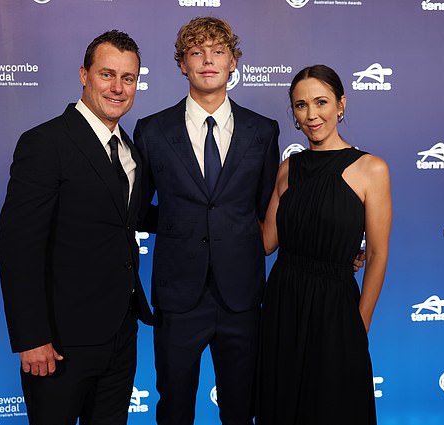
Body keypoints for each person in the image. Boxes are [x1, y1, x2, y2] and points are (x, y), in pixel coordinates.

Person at [0, 30, 152, 425]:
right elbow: (18, 246)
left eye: (128, 78)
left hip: (121, 336)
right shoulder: (45, 143)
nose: (118, 88)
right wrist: (32, 339)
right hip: (59, 344)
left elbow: (122, 219)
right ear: (84, 75)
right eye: (107, 75)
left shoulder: (130, 149)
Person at [133, 17, 280, 425]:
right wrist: (184, 224)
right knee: (175, 407)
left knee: (241, 407)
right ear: (183, 64)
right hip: (179, 295)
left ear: (234, 62)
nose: (208, 61)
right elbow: (138, 208)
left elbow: (270, 206)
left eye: (218, 52)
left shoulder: (263, 131)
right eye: (197, 52)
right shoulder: (152, 130)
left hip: (242, 295)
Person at [256, 65, 392, 424]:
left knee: (334, 408)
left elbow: (377, 255)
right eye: (301, 105)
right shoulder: (289, 168)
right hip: (283, 305)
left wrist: (358, 324)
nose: (311, 115)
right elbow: (268, 241)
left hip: (336, 311)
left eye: (321, 102)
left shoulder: (371, 169)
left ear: (341, 104)